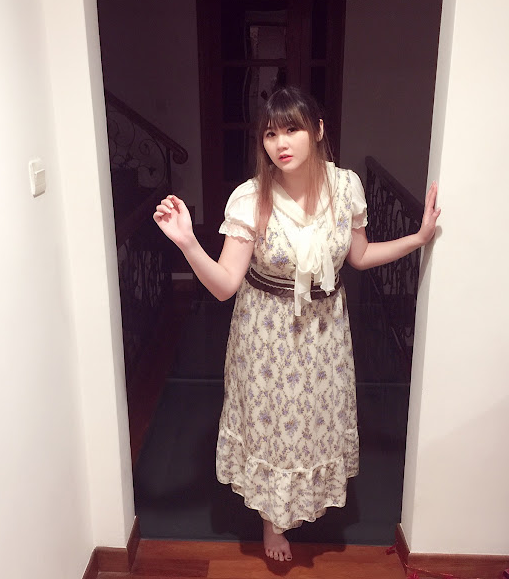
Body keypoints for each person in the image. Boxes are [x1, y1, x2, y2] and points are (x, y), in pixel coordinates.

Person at [153, 86, 440, 562]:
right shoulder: (251, 199)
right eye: (270, 133)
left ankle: (303, 502)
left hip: (325, 331)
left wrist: (419, 238)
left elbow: (360, 255)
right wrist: (187, 242)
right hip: (266, 333)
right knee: (273, 428)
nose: (280, 143)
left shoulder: (345, 188)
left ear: (318, 130)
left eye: (292, 129)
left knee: (313, 422)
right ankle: (273, 523)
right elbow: (225, 285)